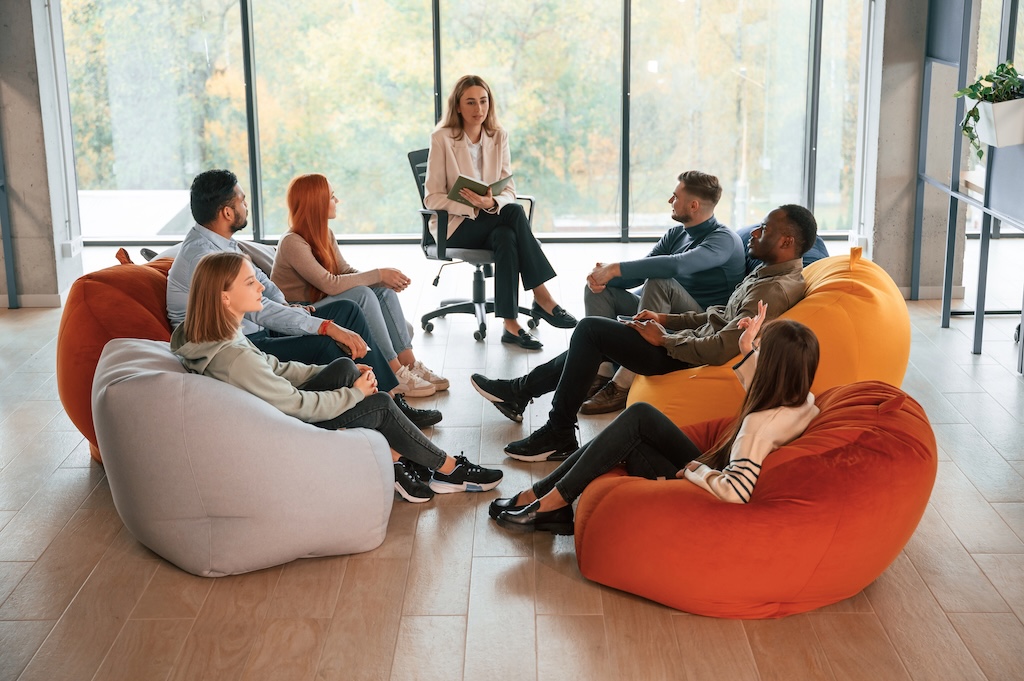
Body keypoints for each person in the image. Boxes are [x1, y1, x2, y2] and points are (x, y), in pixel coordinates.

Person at [470, 204, 818, 460]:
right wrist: (666, 320)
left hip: (686, 358)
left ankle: (555, 429)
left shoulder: (772, 289)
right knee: (598, 337)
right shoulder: (768, 273)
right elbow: (717, 317)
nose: (755, 233)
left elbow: (723, 348)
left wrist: (664, 339)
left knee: (591, 331)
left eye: (764, 229)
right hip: (686, 343)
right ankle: (522, 394)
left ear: (787, 241)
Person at [170, 252, 502, 503]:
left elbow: (275, 368)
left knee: (344, 366)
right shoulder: (235, 358)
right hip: (289, 429)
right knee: (380, 404)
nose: (260, 285)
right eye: (249, 282)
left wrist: (347, 376)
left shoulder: (217, 337)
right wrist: (356, 394)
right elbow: (298, 406)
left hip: (276, 413)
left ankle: (399, 458)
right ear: (224, 297)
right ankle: (448, 470)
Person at [490, 309, 820, 533]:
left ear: (773, 368)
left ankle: (550, 502)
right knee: (639, 415)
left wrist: (696, 471)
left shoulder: (758, 427)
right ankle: (546, 495)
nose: (755, 353)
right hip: (713, 466)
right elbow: (765, 385)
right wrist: (747, 346)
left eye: (761, 350)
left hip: (704, 493)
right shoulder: (803, 400)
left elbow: (736, 491)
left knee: (629, 435)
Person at [166, 169, 441, 429]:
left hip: (259, 331)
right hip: (244, 344)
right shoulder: (204, 257)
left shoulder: (224, 244)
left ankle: (390, 396)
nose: (246, 205)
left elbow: (265, 284)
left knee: (348, 310)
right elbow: (260, 311)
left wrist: (288, 306)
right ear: (227, 212)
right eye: (242, 200)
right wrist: (325, 326)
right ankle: (382, 411)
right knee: (329, 342)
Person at [424, 74, 577, 350]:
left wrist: (491, 204)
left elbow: (508, 190)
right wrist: (472, 205)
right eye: (471, 102)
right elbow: (432, 197)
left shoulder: (498, 136)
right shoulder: (442, 138)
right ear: (458, 106)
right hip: (456, 226)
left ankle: (510, 324)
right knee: (515, 213)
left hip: (491, 219)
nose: (479, 109)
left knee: (507, 235)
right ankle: (542, 296)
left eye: (483, 101)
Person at [580, 170, 745, 414]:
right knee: (600, 290)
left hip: (700, 321)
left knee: (660, 281)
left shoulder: (724, 240)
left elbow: (676, 266)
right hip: (661, 311)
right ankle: (602, 373)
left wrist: (614, 268)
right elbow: (638, 275)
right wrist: (602, 278)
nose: (670, 201)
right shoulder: (676, 234)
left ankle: (622, 384)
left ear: (694, 205)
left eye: (675, 196)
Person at [271, 173, 447, 398]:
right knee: (363, 294)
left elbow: (344, 271)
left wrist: (380, 280)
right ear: (316, 203)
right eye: (332, 197)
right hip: (302, 312)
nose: (337, 201)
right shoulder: (292, 242)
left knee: (381, 291)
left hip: (321, 304)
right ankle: (395, 372)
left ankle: (409, 364)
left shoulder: (324, 233)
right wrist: (377, 274)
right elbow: (330, 284)